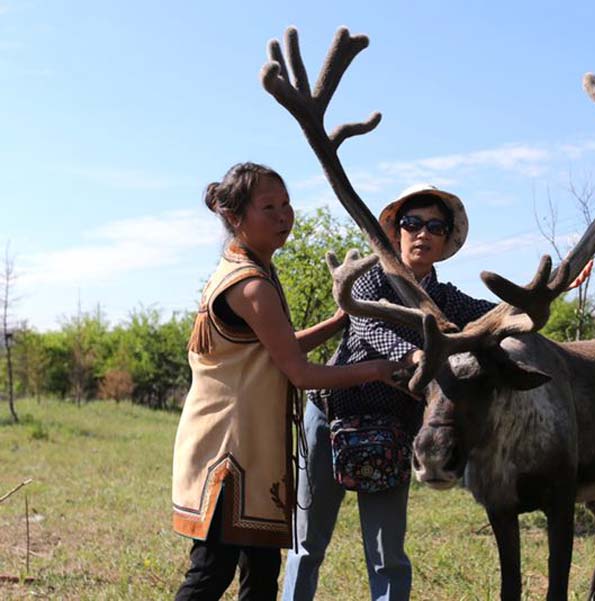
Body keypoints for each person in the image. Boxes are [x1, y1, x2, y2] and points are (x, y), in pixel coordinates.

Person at [171, 162, 402, 601]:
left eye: (286, 204)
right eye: (269, 207)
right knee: (211, 573)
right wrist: (376, 369)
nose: (284, 216)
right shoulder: (251, 285)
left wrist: (338, 321)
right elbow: (299, 371)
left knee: (260, 573)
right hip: (231, 457)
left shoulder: (247, 269)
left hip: (247, 455)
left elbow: (276, 346)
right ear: (236, 218)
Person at [281, 184, 496, 601]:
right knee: (307, 544)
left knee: (387, 554)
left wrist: (554, 291)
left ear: (446, 239)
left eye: (435, 226)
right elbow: (366, 326)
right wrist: (413, 356)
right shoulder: (369, 278)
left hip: (393, 431)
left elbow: (496, 316)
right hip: (330, 417)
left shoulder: (447, 299)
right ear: (396, 232)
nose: (422, 233)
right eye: (411, 223)